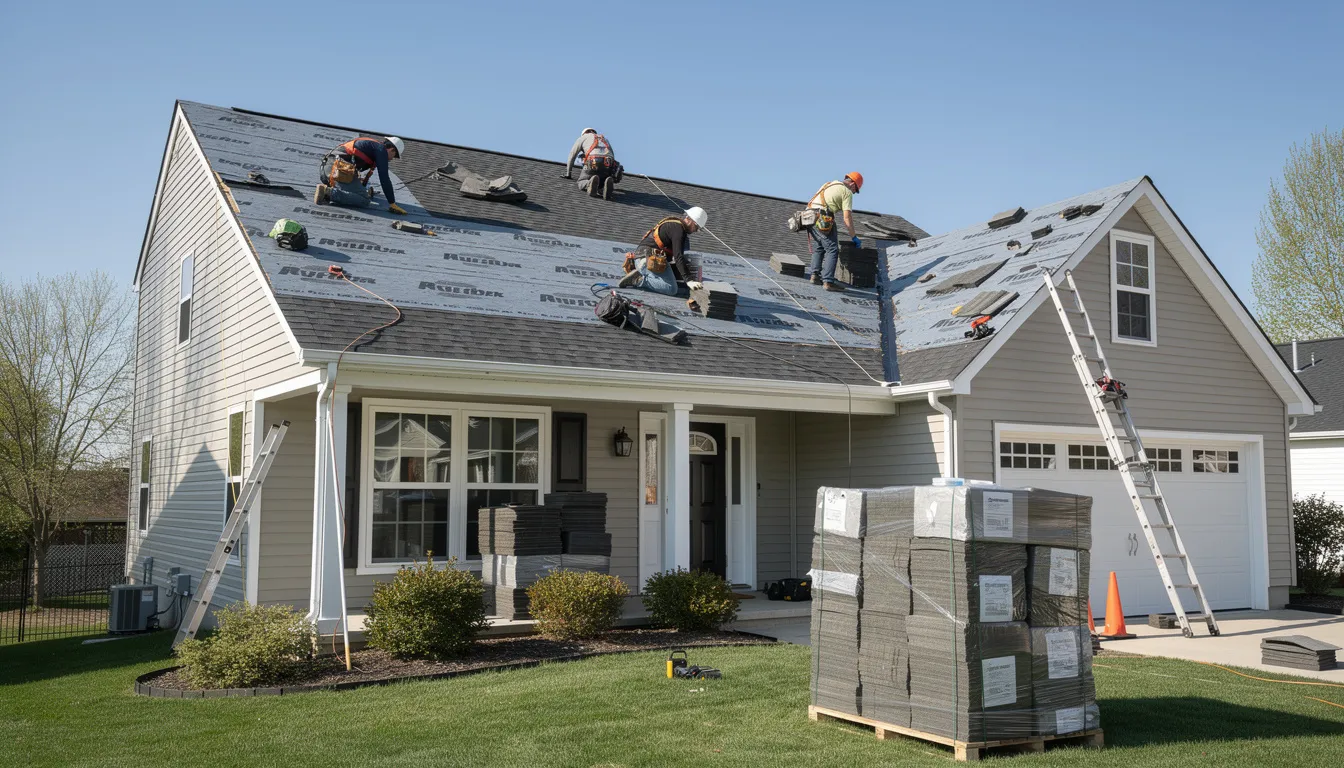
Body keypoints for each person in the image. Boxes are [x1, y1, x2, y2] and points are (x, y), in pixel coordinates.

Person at [617, 207, 708, 297]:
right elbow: (678, 257)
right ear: (689, 220)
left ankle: (640, 272)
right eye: (696, 227)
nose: (695, 231)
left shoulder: (673, 224)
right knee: (671, 288)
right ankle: (638, 280)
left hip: (642, 258)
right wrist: (689, 280)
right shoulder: (679, 231)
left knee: (673, 277)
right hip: (649, 260)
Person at [315, 136, 407, 214]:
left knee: (362, 192)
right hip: (334, 170)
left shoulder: (372, 146)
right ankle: (328, 193)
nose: (391, 159)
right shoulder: (381, 150)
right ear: (391, 150)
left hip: (328, 170)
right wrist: (392, 202)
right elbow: (384, 178)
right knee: (364, 200)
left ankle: (331, 190)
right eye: (394, 156)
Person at [804, 172, 864, 291]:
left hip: (808, 216)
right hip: (822, 218)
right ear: (852, 184)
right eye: (855, 190)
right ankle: (828, 282)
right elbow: (847, 218)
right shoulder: (846, 192)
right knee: (832, 249)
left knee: (820, 246)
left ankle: (815, 275)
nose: (853, 193)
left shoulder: (829, 184)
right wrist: (854, 237)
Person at [564, 128, 622, 200]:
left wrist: (568, 173)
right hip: (608, 162)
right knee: (601, 179)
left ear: (584, 133)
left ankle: (589, 184)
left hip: (593, 160)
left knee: (581, 181)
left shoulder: (583, 137)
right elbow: (612, 155)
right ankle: (604, 186)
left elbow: (572, 155)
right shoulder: (604, 139)